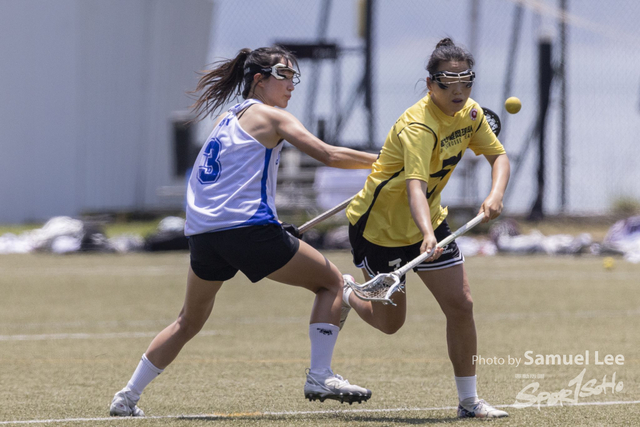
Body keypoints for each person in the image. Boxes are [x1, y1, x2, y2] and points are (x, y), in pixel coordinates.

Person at [109, 46, 377, 417]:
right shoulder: (273, 117)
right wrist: (383, 162)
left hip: (204, 234)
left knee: (189, 320)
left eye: (294, 78)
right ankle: (320, 375)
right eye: (284, 76)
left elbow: (228, 183)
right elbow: (328, 155)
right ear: (259, 80)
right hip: (245, 229)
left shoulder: (227, 118)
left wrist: (270, 225)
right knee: (332, 283)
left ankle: (127, 397)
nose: (291, 86)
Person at [341, 38, 510, 419]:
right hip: (380, 229)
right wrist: (427, 234)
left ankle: (469, 402)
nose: (459, 92)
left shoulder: (470, 114)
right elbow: (415, 186)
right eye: (449, 84)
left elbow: (498, 156)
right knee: (390, 324)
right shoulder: (418, 126)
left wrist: (495, 194)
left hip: (429, 222)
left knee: (461, 305)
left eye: (466, 82)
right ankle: (345, 291)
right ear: (431, 84)